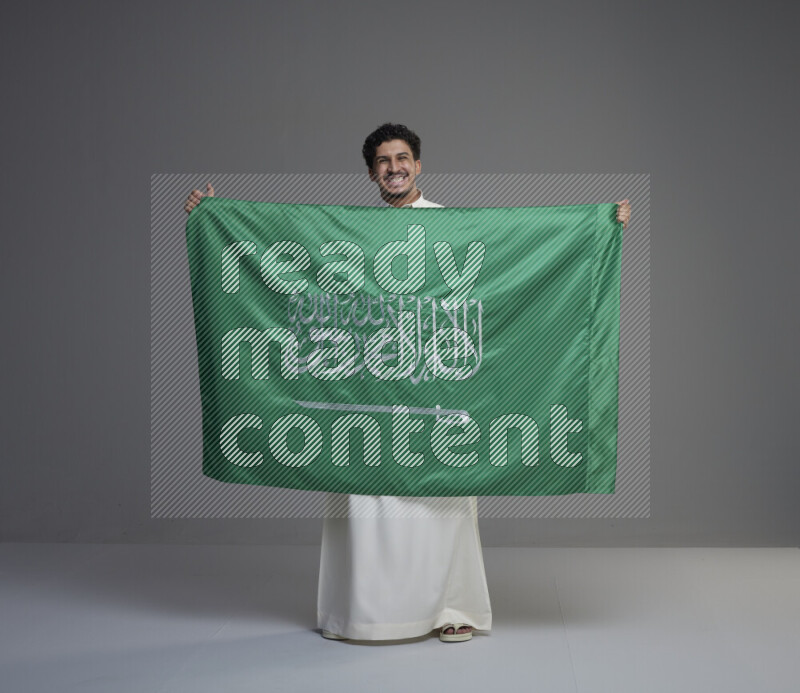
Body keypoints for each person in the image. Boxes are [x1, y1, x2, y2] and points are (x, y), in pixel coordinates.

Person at [184, 124, 632, 643]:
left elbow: (520, 251)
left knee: (442, 506)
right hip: (367, 389)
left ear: (418, 166)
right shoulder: (351, 237)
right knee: (364, 500)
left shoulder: (451, 229)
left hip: (436, 392)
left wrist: (598, 227)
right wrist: (211, 217)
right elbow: (287, 261)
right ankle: (364, 612)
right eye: (382, 161)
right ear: (371, 173)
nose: (393, 168)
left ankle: (453, 609)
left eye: (401, 159)